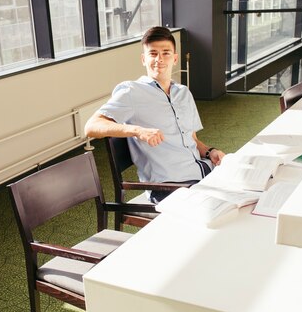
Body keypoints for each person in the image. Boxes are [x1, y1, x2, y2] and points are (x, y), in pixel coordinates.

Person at [84, 26, 225, 203]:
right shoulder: (131, 91)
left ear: (175, 58)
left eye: (166, 53)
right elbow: (91, 127)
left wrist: (210, 151)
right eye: (153, 53)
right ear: (144, 59)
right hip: (170, 187)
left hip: (204, 173)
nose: (159, 59)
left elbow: (193, 140)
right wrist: (137, 131)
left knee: (254, 195)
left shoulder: (183, 93)